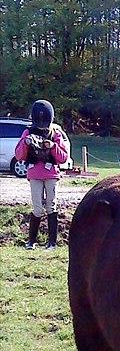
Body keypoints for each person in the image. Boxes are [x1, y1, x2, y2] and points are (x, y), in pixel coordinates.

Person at [15, 100, 70, 250]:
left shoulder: (55, 133)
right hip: (34, 173)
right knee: (37, 208)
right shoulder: (28, 132)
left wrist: (52, 146)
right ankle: (31, 241)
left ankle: (52, 243)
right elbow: (19, 155)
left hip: (51, 173)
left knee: (51, 206)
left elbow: (63, 158)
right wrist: (26, 143)